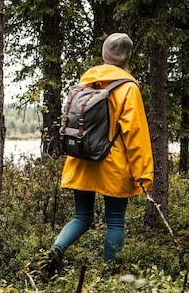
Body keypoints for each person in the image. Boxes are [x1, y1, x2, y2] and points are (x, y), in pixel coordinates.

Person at [38, 33, 154, 279]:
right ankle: (109, 278)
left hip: (82, 158)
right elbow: (135, 134)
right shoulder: (128, 87)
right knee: (115, 222)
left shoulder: (87, 80)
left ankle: (55, 250)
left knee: (82, 216)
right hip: (112, 163)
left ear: (105, 54)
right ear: (127, 58)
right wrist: (143, 174)